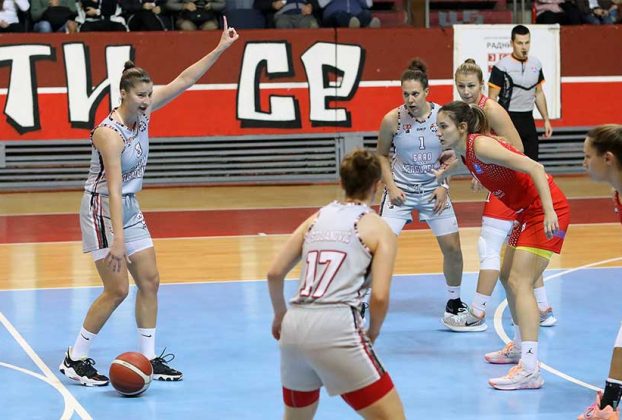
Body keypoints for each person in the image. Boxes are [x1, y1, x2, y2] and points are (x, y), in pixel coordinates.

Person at [59, 20, 239, 387]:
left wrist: (221, 47)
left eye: (149, 95)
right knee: (117, 289)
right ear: (123, 94)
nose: (146, 100)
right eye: (140, 95)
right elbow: (112, 188)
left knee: (150, 281)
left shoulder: (144, 112)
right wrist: (118, 240)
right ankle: (74, 358)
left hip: (129, 205)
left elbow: (186, 79)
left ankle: (149, 357)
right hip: (101, 209)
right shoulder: (108, 134)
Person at [435, 101, 570, 390]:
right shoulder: (466, 151)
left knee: (521, 281)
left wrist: (549, 211)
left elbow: (535, 167)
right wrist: (444, 173)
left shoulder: (481, 145)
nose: (438, 132)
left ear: (462, 127)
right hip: (525, 213)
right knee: (508, 277)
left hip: (545, 210)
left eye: (443, 126)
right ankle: (520, 347)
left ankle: (530, 369)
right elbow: (463, 162)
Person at [267, 148, 405, 419]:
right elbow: (379, 296)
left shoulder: (316, 218)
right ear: (377, 185)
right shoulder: (378, 228)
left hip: (294, 326)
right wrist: (373, 331)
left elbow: (274, 273)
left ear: (341, 183)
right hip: (337, 325)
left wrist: (280, 315)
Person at [443, 59, 556, 333]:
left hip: (512, 184)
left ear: (482, 85)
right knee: (520, 250)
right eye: (461, 86)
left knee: (489, 245)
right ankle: (543, 309)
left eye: (471, 86)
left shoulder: (491, 109)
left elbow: (517, 148)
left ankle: (477, 312)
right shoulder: (464, 114)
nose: (466, 91)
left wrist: (487, 166)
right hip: (501, 186)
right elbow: (470, 151)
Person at [377, 58, 468, 327]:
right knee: (377, 247)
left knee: (453, 249)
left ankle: (454, 300)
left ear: (427, 91)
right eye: (405, 94)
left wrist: (444, 186)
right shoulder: (392, 120)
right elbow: (381, 155)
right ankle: (361, 300)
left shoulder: (442, 118)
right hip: (401, 191)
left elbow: (453, 154)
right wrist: (391, 187)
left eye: (415, 93)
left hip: (432, 191)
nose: (410, 99)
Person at [578, 124, 622, 419]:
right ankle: (609, 405)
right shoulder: (617, 191)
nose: (584, 162)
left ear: (607, 158)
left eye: (587, 156)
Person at [488, 25, 553, 162]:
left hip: (528, 119)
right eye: (519, 43)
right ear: (512, 43)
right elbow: (492, 99)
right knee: (511, 163)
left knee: (533, 162)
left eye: (527, 42)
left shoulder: (536, 64)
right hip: (507, 118)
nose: (524, 47)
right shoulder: (501, 66)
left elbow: (539, 94)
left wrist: (546, 120)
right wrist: (491, 125)